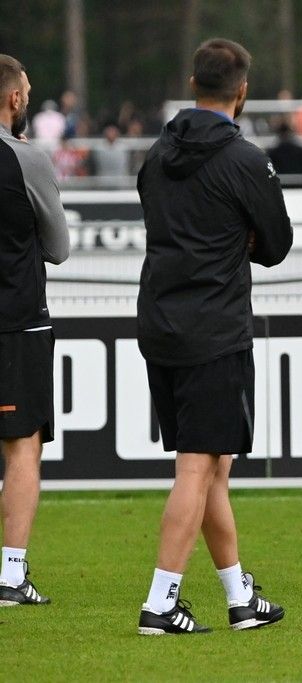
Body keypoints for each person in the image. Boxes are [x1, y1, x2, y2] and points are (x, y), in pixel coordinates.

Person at [135, 38, 293, 635]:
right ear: (242, 91)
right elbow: (276, 245)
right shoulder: (246, 160)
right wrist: (240, 237)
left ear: (193, 82)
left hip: (160, 321)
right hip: (214, 328)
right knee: (197, 468)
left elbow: (162, 222)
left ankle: (239, 598)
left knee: (212, 465)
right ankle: (160, 601)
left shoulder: (155, 153)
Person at [0, 54, 70, 606]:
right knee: (21, 447)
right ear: (15, 99)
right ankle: (11, 574)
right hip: (15, 322)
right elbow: (59, 247)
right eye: (25, 88)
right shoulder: (26, 160)